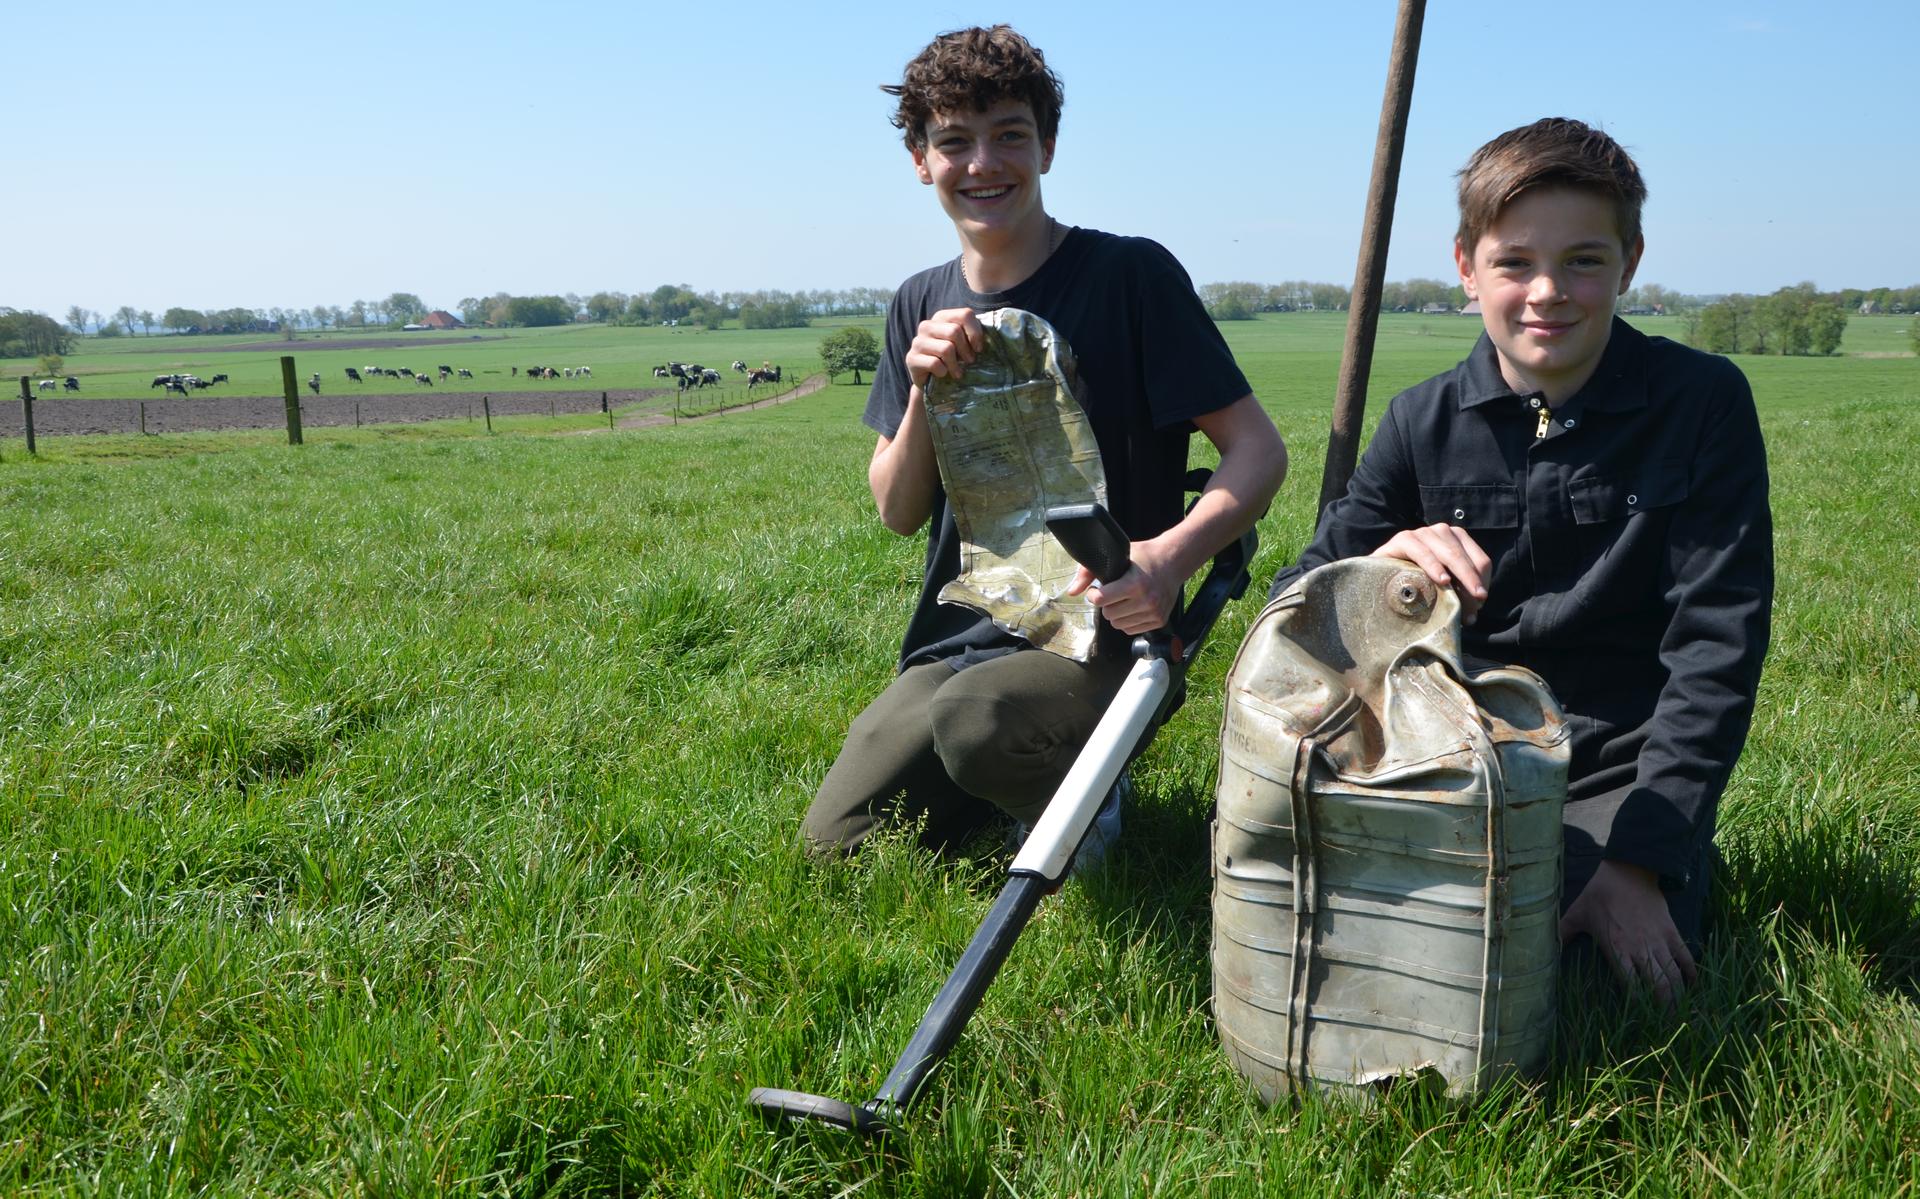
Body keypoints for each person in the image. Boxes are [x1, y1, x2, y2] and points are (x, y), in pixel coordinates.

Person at [1271, 118, 1772, 1006]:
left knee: (1568, 978)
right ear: (1466, 267)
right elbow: (1291, 614)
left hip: (1620, 764)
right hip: (1446, 755)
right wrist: (1379, 564)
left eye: (1584, 259)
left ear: (1631, 260)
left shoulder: (1701, 405)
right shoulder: (1420, 422)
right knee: (1353, 944)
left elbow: (1717, 646)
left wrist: (1641, 859)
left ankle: (1653, 864)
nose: (1548, 292)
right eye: (1514, 263)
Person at [801, 25, 1287, 865]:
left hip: (1107, 629)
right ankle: (1011, 776)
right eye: (954, 141)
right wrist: (923, 388)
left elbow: (1258, 451)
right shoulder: (918, 301)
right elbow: (895, 508)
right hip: (965, 635)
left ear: (1048, 147)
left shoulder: (1129, 277)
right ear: (921, 160)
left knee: (977, 723)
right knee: (838, 846)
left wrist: (1167, 560)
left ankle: (1082, 796)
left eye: (1010, 136)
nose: (983, 163)